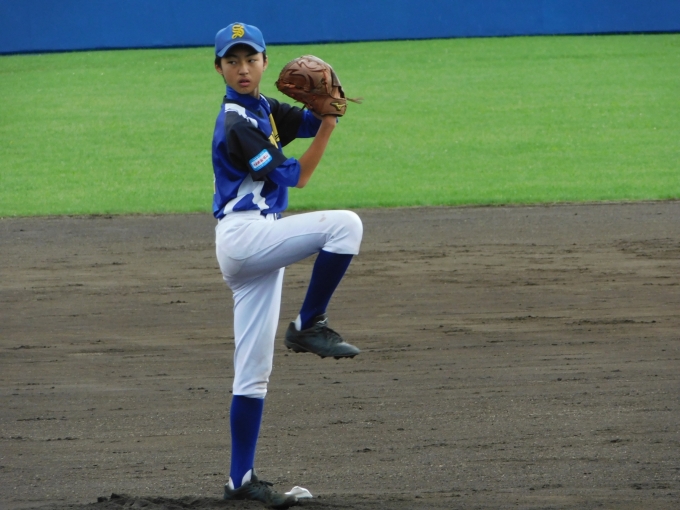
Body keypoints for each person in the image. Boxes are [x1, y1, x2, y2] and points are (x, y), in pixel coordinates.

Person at [211, 22, 363, 508]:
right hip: (246, 237)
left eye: (249, 59)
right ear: (218, 68)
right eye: (232, 61)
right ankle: (308, 324)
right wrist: (330, 125)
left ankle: (240, 479)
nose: (242, 68)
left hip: (257, 245)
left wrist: (327, 107)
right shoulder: (237, 123)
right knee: (345, 226)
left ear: (264, 63)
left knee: (253, 374)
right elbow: (298, 177)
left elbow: (308, 121)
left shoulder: (263, 107)